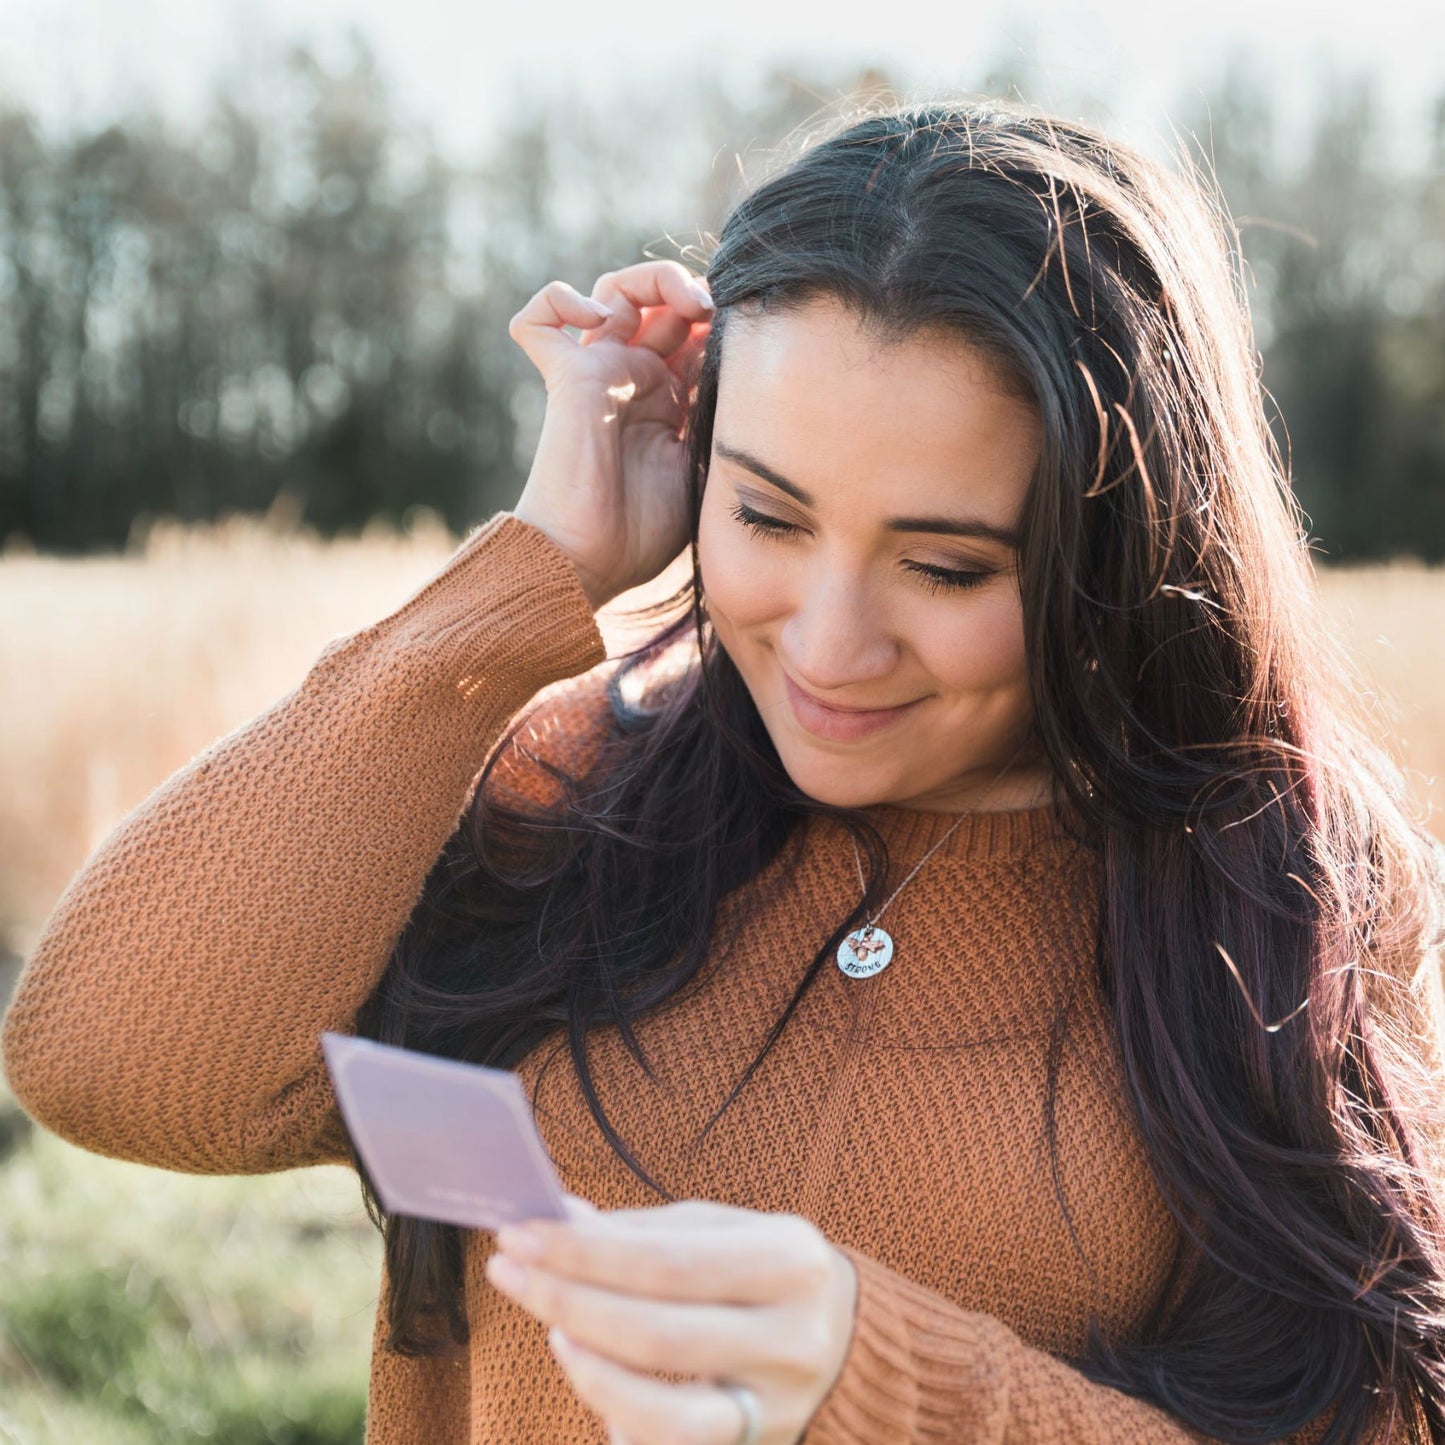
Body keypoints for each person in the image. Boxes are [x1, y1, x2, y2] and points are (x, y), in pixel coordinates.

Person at [5, 95, 1445, 1445]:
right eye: (764, 514)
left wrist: (875, 1372)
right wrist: (524, 585)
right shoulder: (569, 803)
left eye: (943, 563)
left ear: (1121, 554)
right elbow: (107, 1068)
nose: (825, 643)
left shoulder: (1297, 907)